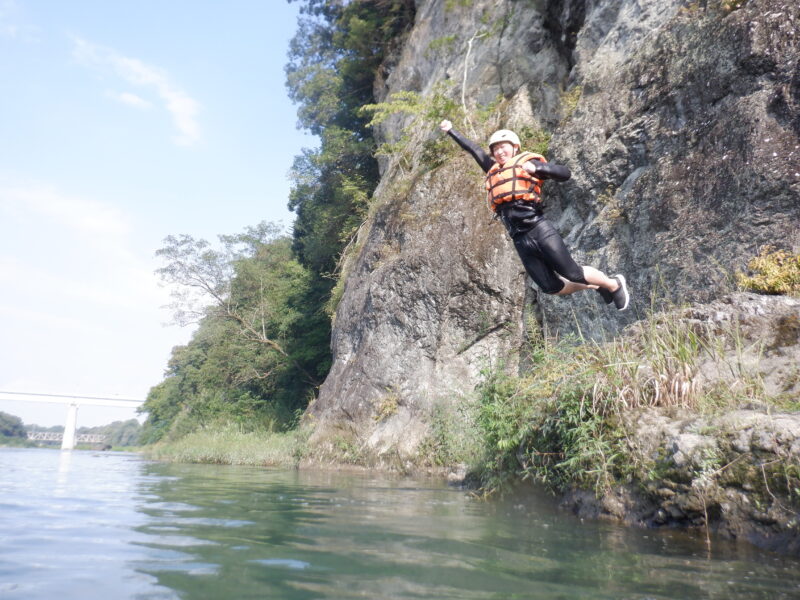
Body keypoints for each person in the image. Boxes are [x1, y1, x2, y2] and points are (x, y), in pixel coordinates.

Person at [439, 120, 629, 310]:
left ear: (515, 148)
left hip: (538, 229)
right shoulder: (492, 169)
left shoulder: (527, 163)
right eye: (495, 149)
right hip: (519, 238)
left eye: (503, 147)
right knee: (551, 287)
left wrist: (539, 168)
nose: (499, 152)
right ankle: (597, 285)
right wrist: (451, 131)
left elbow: (565, 173)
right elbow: (475, 150)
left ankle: (613, 284)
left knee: (573, 273)